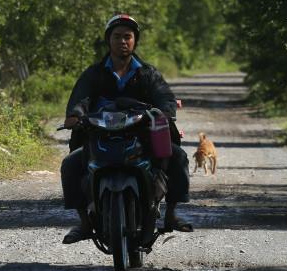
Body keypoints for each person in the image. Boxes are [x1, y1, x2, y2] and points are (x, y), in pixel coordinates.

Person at [60, 13, 193, 244]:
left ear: (135, 41)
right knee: (70, 164)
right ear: (108, 40)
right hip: (100, 136)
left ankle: (171, 214)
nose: (123, 41)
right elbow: (80, 100)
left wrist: (164, 111)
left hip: (141, 136)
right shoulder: (95, 73)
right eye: (117, 36)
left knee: (178, 156)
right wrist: (76, 115)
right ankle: (84, 222)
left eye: (128, 37)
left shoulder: (147, 73)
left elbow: (164, 97)